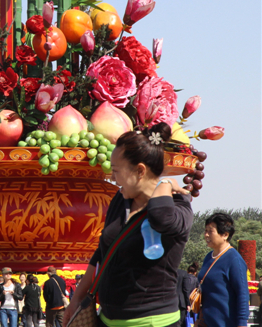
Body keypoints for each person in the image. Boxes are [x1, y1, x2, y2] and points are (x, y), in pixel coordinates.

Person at [63, 123, 193, 327]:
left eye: (116, 171)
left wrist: (165, 184)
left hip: (152, 322)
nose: (112, 178)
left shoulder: (178, 205)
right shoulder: (121, 200)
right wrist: (77, 297)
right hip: (107, 320)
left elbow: (161, 218)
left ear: (140, 170)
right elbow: (103, 252)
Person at [197, 212, 249, 327]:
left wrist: (242, 323)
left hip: (225, 323)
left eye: (210, 231)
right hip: (205, 322)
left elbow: (243, 294)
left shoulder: (234, 259)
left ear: (225, 234)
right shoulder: (208, 257)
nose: (206, 235)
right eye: (205, 231)